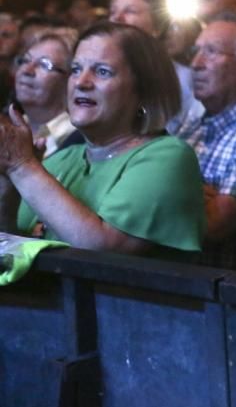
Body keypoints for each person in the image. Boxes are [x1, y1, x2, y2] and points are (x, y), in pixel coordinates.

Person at [0, 22, 204, 257]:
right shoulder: (64, 159)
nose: (81, 82)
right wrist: (7, 182)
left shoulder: (167, 156)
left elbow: (102, 250)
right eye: (76, 69)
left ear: (144, 90)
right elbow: (12, 249)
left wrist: (22, 167)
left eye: (102, 71)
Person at [176, 12, 236, 271]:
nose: (196, 63)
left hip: (219, 295)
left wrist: (167, 187)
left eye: (212, 52)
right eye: (196, 51)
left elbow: (214, 224)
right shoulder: (190, 125)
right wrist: (198, 192)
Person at [109, 0, 198, 133]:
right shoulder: (98, 72)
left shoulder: (185, 81)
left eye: (130, 11)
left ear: (157, 26)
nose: (117, 18)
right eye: (113, 11)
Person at [13, 28, 82, 157]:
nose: (27, 70)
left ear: (70, 78)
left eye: (44, 64)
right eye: (25, 60)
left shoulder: (77, 139)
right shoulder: (12, 126)